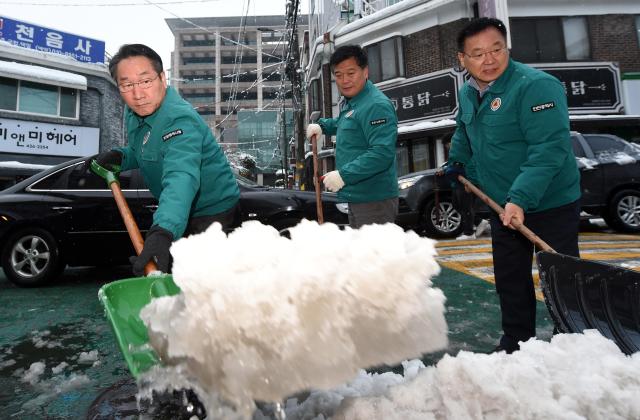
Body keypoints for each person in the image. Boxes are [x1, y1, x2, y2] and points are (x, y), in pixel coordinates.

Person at [446, 18, 581, 353]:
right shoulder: (468, 93)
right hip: (501, 202)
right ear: (462, 60)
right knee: (510, 278)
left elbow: (548, 149)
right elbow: (465, 131)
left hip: (551, 202)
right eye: (477, 54)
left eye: (497, 49)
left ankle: (573, 346)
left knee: (559, 278)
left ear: (507, 48)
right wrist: (457, 162)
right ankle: (516, 342)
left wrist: (520, 198)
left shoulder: (536, 86)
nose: (489, 60)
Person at [89, 44, 240, 276]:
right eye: (127, 85)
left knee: (204, 281)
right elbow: (148, 149)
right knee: (174, 275)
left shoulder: (180, 120)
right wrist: (122, 156)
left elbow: (181, 176)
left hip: (212, 210)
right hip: (178, 209)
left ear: (162, 78)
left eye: (145, 81)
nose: (137, 94)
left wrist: (163, 231)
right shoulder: (136, 112)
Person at [305, 45, 398, 228]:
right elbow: (344, 123)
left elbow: (381, 154)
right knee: (362, 255)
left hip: (374, 200)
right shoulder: (354, 102)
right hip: (360, 197)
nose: (344, 80)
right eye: (338, 75)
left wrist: (343, 175)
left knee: (372, 256)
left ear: (365, 72)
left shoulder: (376, 105)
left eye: (350, 73)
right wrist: (322, 126)